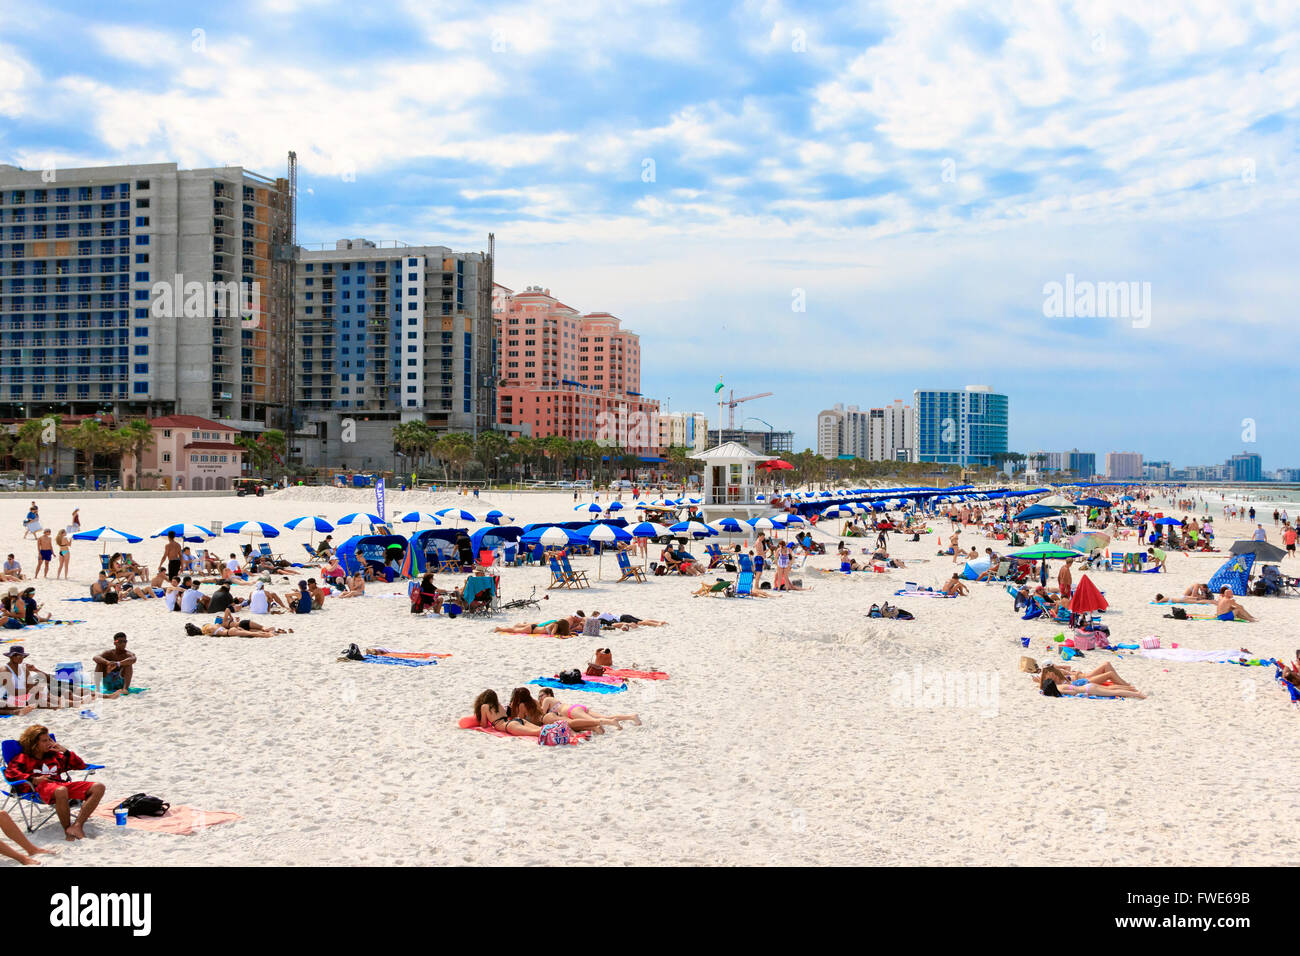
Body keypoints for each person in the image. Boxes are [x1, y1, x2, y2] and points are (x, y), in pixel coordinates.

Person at [3, 724, 106, 840]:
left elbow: (80, 765)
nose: (49, 743)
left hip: (61, 784)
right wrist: (33, 779)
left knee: (98, 787)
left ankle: (77, 826)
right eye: (44, 741)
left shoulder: (54, 756)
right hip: (40, 788)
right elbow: (10, 773)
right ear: (34, 744)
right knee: (61, 791)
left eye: (49, 740)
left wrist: (65, 751)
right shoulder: (23, 758)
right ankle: (67, 831)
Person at [1037, 665, 1147, 699]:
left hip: (1088, 688)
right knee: (1111, 689)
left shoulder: (1060, 690)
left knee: (1112, 691)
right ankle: (1131, 690)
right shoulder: (1060, 686)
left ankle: (1137, 694)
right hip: (1088, 685)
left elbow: (1074, 693)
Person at [492, 619, 573, 636]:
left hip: (534, 628)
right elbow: (552, 634)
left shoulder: (556, 625)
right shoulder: (555, 625)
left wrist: (570, 633)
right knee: (514, 630)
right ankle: (499, 628)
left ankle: (519, 623)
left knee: (515, 629)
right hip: (532, 629)